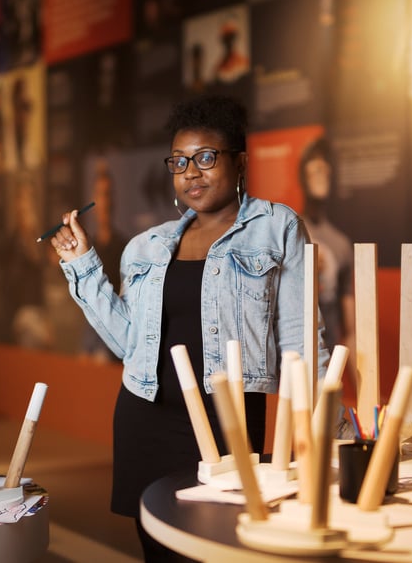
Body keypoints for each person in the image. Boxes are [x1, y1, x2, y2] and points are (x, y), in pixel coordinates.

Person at [50, 95, 331, 561]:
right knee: (158, 548)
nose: (190, 173)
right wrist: (81, 264)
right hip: (145, 417)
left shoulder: (277, 227)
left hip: (229, 421)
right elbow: (129, 343)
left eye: (205, 157)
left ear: (240, 162)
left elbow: (303, 338)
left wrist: (328, 427)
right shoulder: (147, 247)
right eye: (179, 162)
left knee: (218, 545)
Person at [298, 137, 357, 400]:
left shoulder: (341, 243)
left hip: (329, 357)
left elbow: (351, 327)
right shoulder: (290, 231)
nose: (321, 176)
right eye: (314, 170)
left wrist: (363, 389)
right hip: (296, 353)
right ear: (303, 175)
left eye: (326, 170)